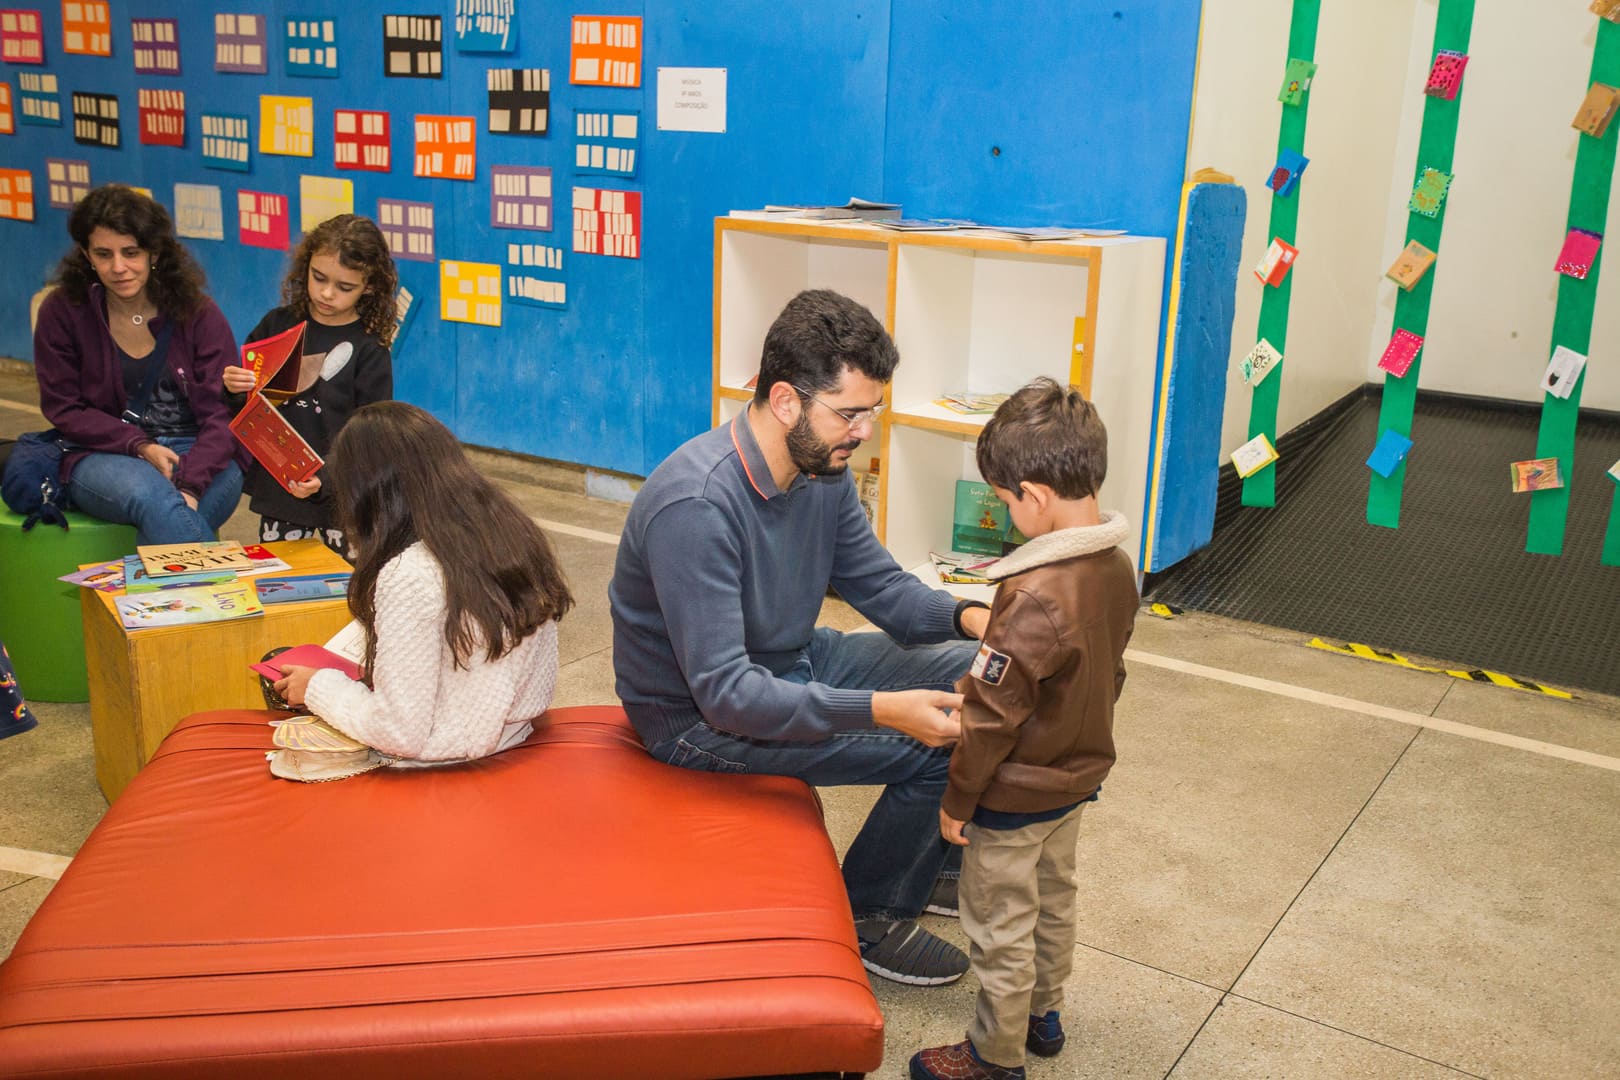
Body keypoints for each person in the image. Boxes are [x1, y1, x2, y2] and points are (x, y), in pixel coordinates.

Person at [609, 289, 992, 987]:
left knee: (980, 670)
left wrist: (973, 619)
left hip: (793, 660)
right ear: (786, 401)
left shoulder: (820, 469)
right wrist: (883, 709)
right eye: (850, 413)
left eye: (871, 412)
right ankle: (868, 914)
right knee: (928, 738)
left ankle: (917, 853)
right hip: (698, 719)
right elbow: (729, 696)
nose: (864, 432)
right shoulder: (697, 506)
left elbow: (882, 589)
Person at [910, 378, 1138, 1080]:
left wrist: (957, 800)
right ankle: (1044, 1015)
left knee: (999, 923)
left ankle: (992, 1055)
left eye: (1006, 500)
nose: (1006, 513)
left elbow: (992, 716)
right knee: (1054, 901)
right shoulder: (1118, 567)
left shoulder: (1034, 591)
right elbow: (1099, 673)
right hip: (1076, 779)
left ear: (1033, 495)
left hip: (1011, 797)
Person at [270, 402, 573, 765]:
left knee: (281, 670)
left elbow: (399, 733)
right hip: (510, 731)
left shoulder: (409, 571)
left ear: (370, 492)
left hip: (442, 752)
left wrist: (317, 687)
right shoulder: (507, 531)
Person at [33, 185, 243, 544]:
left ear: (154, 252)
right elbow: (64, 407)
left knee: (168, 513)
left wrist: (190, 486)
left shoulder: (198, 314)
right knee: (153, 498)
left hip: (201, 452)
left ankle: (179, 596)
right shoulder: (63, 311)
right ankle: (225, 596)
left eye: (131, 252)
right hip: (104, 453)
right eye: (103, 254)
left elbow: (221, 417)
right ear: (86, 254)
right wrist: (139, 445)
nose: (118, 267)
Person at [222, 214, 398, 556]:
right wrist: (233, 387)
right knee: (279, 584)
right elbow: (244, 408)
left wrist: (328, 481)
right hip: (282, 493)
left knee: (345, 591)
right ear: (306, 267)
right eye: (318, 278)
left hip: (344, 498)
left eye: (344, 287)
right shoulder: (277, 324)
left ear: (370, 286)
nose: (327, 293)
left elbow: (372, 437)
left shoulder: (370, 349)